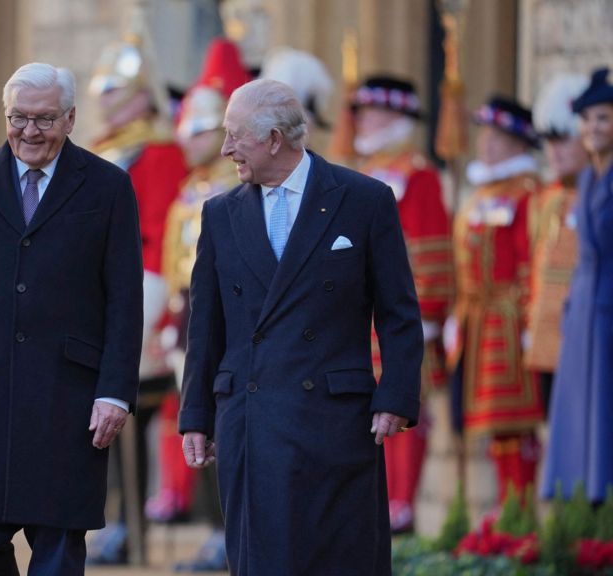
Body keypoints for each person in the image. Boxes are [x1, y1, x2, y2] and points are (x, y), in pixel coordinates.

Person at [179, 78, 423, 575]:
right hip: (250, 417)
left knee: (337, 558)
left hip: (334, 419)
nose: (225, 149)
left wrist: (396, 394)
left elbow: (399, 311)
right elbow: (205, 327)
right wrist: (196, 415)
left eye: (235, 135)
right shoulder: (220, 214)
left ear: (273, 139)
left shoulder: (364, 199)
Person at [0, 62, 143, 576]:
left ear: (69, 119)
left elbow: (125, 300)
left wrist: (115, 392)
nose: (29, 132)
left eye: (43, 119)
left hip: (70, 398)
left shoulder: (108, 187)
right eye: (18, 118)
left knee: (60, 546)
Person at [85, 29, 189, 565]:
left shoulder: (161, 152)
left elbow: (159, 234)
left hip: (142, 302)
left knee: (141, 418)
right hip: (93, 302)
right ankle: (114, 519)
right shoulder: (104, 150)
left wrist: (144, 310)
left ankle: (137, 521)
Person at [159, 37, 250, 573]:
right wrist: (173, 319)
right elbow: (180, 267)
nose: (188, 140)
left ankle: (227, 529)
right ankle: (213, 526)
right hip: (192, 317)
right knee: (198, 423)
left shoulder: (233, 189)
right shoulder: (192, 190)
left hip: (226, 319)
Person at [350, 75, 453, 533]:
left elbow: (431, 247)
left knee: (402, 402)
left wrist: (428, 312)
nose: (364, 120)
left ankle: (402, 501)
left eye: (374, 112)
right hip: (358, 312)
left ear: (396, 117)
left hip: (400, 312)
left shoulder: (418, 173)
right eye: (363, 111)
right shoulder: (359, 168)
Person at [448, 96, 545, 504]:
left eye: (497, 136)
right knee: (491, 424)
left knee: (516, 423)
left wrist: (529, 321)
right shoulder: (479, 193)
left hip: (509, 321)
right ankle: (505, 513)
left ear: (519, 143)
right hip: (477, 318)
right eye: (485, 134)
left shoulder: (527, 194)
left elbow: (531, 259)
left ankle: (520, 510)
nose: (485, 143)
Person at [541, 67, 613, 503]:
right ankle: (582, 504)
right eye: (587, 120)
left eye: (603, 118)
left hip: (609, 304)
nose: (593, 128)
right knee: (578, 412)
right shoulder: (586, 180)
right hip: (584, 306)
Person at [524, 73, 590, 411]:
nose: (553, 151)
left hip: (586, 340)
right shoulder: (546, 199)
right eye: (548, 141)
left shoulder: (598, 195)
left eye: (562, 139)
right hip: (545, 346)